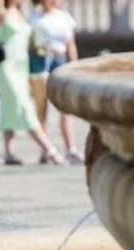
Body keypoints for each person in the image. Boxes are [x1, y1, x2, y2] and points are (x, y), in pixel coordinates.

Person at [0, 0, 64, 166]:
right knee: (25, 107)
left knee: (9, 108)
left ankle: (9, 153)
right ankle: (50, 150)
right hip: (6, 67)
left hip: (21, 68)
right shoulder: (3, 12)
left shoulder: (23, 14)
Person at [29, 0, 83, 164]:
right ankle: (45, 150)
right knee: (42, 106)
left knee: (65, 108)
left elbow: (70, 44)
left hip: (60, 60)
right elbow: (29, 44)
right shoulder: (35, 17)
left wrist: (75, 66)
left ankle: (70, 148)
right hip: (41, 60)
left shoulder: (64, 17)